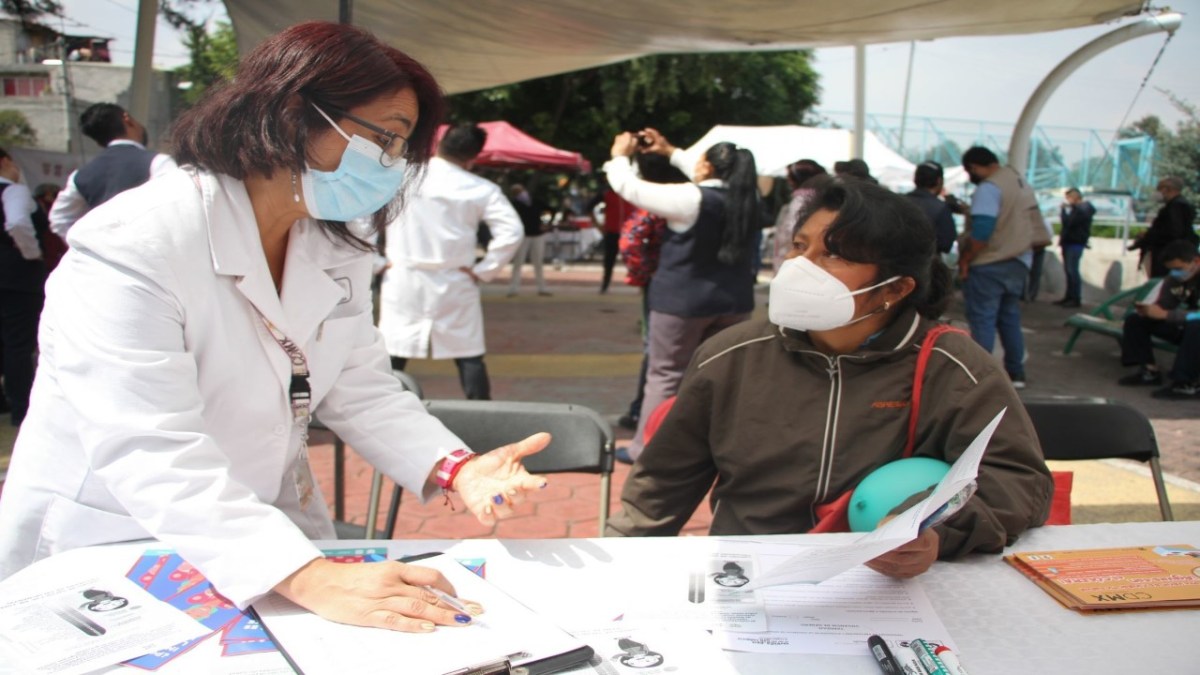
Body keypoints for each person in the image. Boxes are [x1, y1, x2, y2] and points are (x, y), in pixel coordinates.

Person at [0, 22, 550, 634]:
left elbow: (360, 388)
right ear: (293, 112)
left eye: (402, 150)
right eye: (384, 140)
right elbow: (150, 446)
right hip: (120, 537)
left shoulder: (332, 243)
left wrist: (455, 467)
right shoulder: (136, 242)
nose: (392, 166)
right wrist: (309, 576)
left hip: (256, 537)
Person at [606, 178, 1054, 580]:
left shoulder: (953, 367)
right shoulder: (730, 355)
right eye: (800, 247)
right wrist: (609, 572)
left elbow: (1018, 480)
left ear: (896, 289)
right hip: (749, 575)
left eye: (833, 254)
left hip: (880, 583)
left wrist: (938, 531)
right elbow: (660, 486)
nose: (801, 266)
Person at [604, 129, 759, 462]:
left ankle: (646, 448)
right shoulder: (748, 200)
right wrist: (670, 150)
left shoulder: (691, 199)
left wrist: (619, 155)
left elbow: (630, 188)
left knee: (666, 374)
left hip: (682, 303)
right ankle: (711, 449)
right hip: (734, 303)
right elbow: (709, 176)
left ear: (707, 166)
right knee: (720, 376)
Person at [378, 123, 523, 401]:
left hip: (404, 276)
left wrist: (375, 261)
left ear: (439, 143)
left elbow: (360, 218)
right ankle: (483, 416)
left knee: (393, 353)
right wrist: (484, 270)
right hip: (456, 278)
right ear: (473, 157)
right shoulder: (481, 187)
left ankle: (379, 410)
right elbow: (512, 232)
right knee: (468, 353)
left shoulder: (402, 176)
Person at [958, 146, 1039, 388]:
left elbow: (982, 231)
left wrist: (966, 259)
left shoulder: (989, 188)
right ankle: (1016, 373)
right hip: (1020, 260)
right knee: (1009, 318)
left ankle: (981, 377)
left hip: (991, 261)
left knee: (983, 318)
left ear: (974, 166)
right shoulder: (1019, 181)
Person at [48, 102, 176, 238]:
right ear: (127, 119)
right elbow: (177, 210)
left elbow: (59, 218)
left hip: (105, 254)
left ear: (98, 142)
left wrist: (88, 248)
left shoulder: (80, 176)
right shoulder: (159, 163)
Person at [1117, 239, 1200, 399]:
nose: (1175, 273)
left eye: (1178, 268)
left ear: (1196, 261)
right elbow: (1165, 304)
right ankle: (1149, 372)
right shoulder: (1176, 278)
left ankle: (1186, 384)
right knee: (1136, 320)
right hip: (1189, 329)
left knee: (1196, 327)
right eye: (1172, 270)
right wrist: (1150, 310)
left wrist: (1166, 315)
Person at [0, 147, 42, 426]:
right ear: (5, 161)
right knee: (18, 343)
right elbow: (16, 222)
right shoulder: (14, 191)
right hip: (15, 276)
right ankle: (21, 407)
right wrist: (32, 253)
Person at [1130, 177, 1197, 279]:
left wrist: (1151, 236)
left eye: (1159, 188)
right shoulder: (1178, 205)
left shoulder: (1176, 207)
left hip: (1168, 256)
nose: (1158, 192)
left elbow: (1173, 231)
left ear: (1167, 189)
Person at [772, 159, 827, 272]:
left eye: (789, 176)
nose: (788, 180)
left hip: (797, 263)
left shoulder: (801, 201)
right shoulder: (822, 198)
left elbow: (792, 232)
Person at [506, 183, 551, 297]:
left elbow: (550, 210)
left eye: (519, 191)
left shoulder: (535, 201)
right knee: (518, 262)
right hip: (523, 235)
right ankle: (514, 288)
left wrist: (546, 223)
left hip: (537, 234)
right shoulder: (514, 204)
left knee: (538, 262)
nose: (519, 194)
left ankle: (542, 287)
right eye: (516, 192)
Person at [906, 161, 957, 256]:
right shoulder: (941, 208)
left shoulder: (897, 202)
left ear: (915, 179)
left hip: (895, 264)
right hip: (928, 264)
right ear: (939, 181)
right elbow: (946, 244)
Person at [1056, 187, 1095, 308]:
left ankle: (1074, 298)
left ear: (1074, 197)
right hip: (1071, 243)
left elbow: (1069, 222)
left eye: (1068, 198)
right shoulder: (1079, 210)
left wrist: (1063, 211)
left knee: (1072, 271)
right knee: (1069, 271)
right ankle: (1069, 296)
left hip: (1075, 243)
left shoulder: (1082, 210)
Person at [598, 179, 635, 293]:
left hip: (628, 232)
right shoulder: (607, 194)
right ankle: (605, 285)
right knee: (609, 260)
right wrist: (598, 225)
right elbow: (589, 206)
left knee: (633, 259)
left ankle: (639, 283)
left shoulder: (630, 195)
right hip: (612, 231)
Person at [32, 183, 67, 272]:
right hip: (49, 251)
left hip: (45, 252)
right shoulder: (47, 207)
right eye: (56, 194)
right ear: (48, 194)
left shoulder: (33, 206)